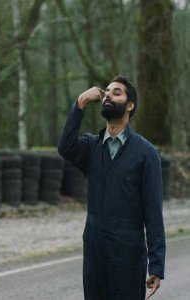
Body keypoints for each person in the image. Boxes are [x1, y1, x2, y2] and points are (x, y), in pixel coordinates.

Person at [58, 76, 165, 300]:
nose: (108, 95)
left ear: (130, 105)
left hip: (128, 256)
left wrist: (156, 266)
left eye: (116, 92)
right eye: (106, 91)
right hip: (95, 252)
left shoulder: (146, 154)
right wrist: (81, 103)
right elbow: (65, 147)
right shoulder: (92, 147)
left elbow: (153, 212)